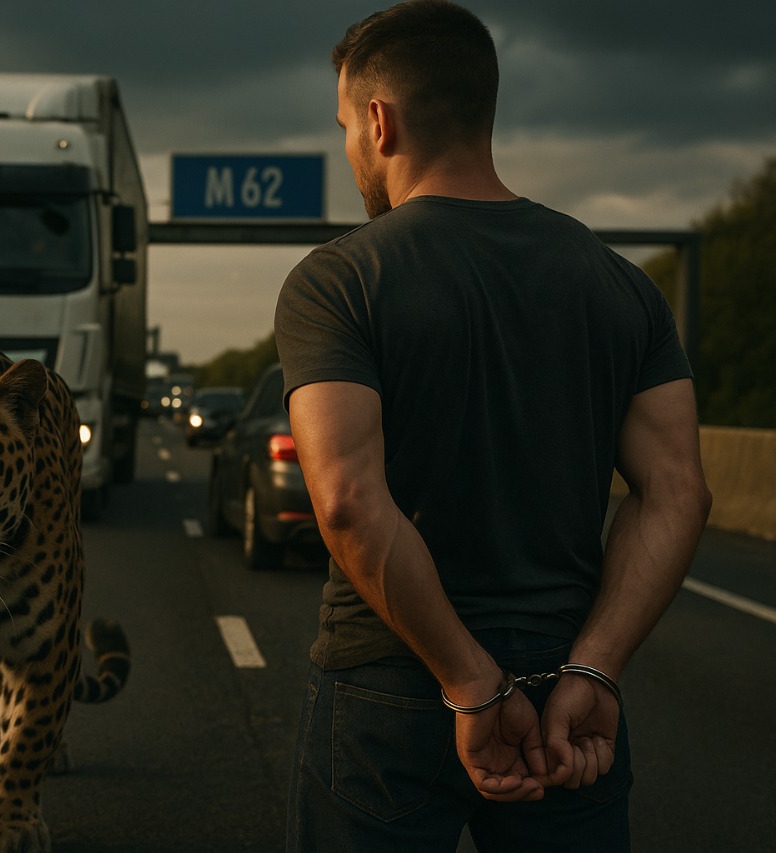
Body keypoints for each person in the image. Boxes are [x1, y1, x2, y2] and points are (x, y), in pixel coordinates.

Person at [273, 2, 713, 851]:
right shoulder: (621, 286)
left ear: (378, 120)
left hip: (390, 683)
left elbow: (350, 503)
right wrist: (598, 666)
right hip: (564, 697)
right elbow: (678, 491)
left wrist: (469, 682)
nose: (351, 152)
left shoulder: (339, 281)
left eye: (344, 129)